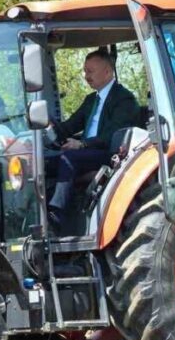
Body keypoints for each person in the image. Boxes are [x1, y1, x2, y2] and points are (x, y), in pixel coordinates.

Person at [48, 49, 140, 229]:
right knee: (44, 161)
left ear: (107, 72)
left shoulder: (124, 99)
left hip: (108, 154)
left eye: (90, 71)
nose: (86, 76)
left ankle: (57, 215)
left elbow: (112, 135)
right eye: (85, 71)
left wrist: (82, 144)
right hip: (87, 152)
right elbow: (69, 127)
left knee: (69, 159)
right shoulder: (91, 100)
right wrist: (47, 127)